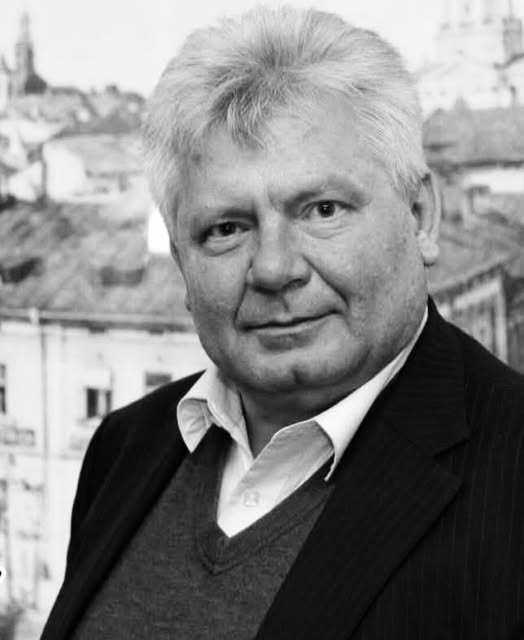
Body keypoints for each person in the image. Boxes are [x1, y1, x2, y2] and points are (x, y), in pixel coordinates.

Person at [42, 7, 524, 639]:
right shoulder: (124, 448)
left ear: (420, 216)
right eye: (226, 228)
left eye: (322, 210)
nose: (274, 268)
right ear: (181, 262)